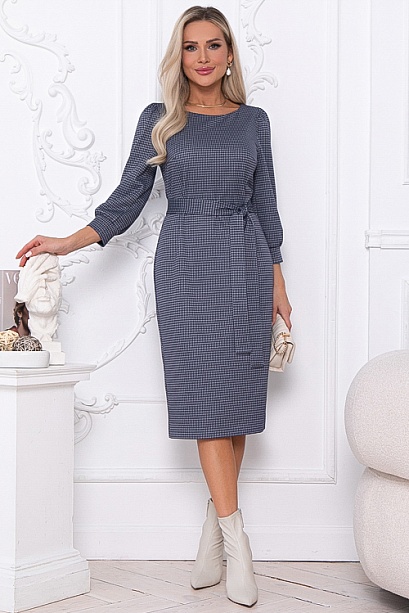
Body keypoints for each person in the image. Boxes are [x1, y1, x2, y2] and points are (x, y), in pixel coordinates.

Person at [16, 6, 292, 607]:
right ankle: (239, 543)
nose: (202, 57)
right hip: (186, 270)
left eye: (213, 45)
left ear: (229, 55)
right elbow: (127, 199)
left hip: (247, 269)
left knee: (236, 407)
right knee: (205, 404)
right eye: (191, 47)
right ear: (180, 56)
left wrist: (277, 280)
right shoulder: (160, 120)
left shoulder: (254, 122)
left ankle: (214, 533)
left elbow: (266, 204)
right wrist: (66, 241)